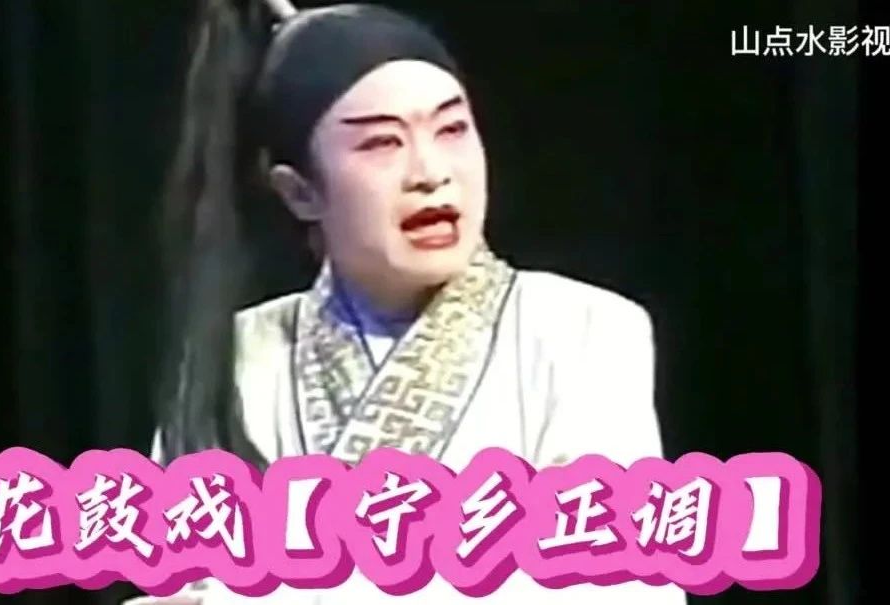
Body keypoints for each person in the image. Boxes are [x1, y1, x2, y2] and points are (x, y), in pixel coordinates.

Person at [133, 2, 687, 603]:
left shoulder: (582, 332)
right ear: (299, 192)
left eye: (452, 130)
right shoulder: (233, 364)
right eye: (380, 144)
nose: (430, 172)